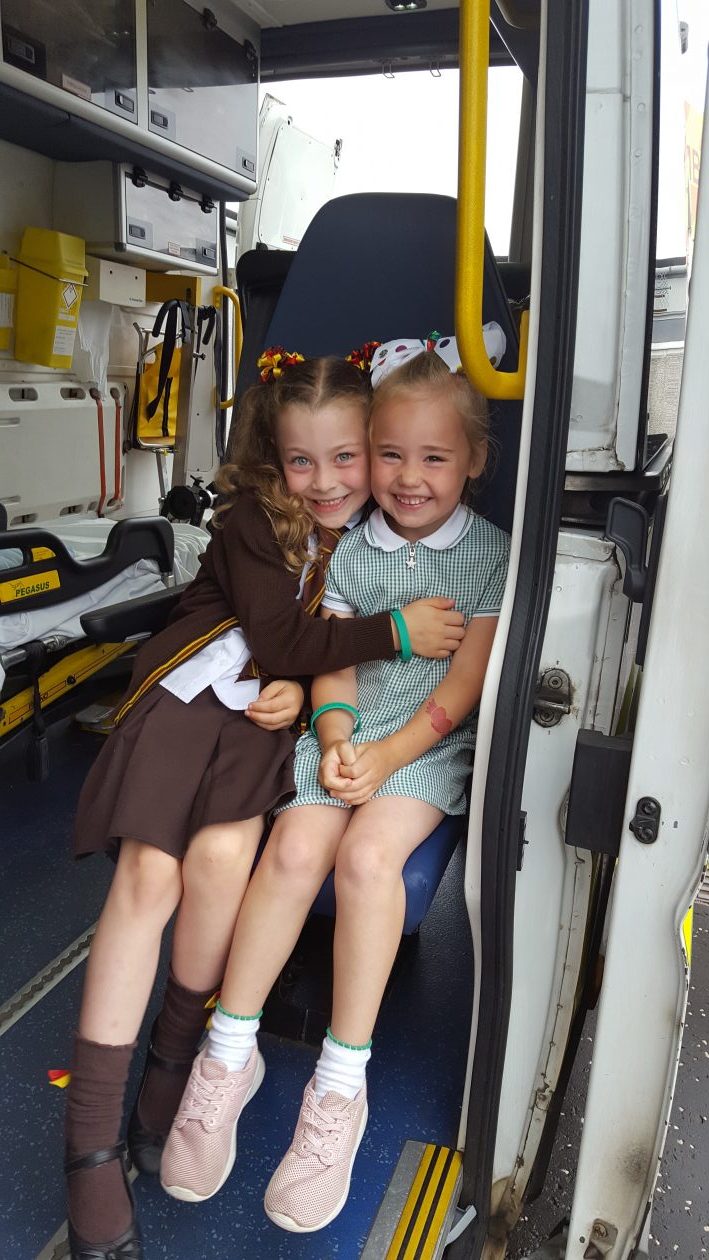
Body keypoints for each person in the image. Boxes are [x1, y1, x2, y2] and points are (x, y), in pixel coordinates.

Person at [64, 351, 466, 1260]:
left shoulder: (383, 529)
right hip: (193, 696)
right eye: (301, 462)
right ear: (273, 461)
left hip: (262, 717)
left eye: (346, 458)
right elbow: (283, 632)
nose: (325, 482)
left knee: (218, 861)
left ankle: (176, 1063)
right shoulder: (255, 520)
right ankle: (88, 1142)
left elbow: (309, 647)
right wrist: (383, 637)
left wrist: (298, 680)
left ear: (374, 448)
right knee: (149, 874)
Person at [159, 338, 511, 1233]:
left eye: (434, 459)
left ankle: (339, 1084)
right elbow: (336, 667)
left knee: (364, 862)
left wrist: (385, 757)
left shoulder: (492, 557)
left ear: (474, 460)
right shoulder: (348, 548)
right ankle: (227, 1054)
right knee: (291, 852)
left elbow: (465, 686)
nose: (408, 478)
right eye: (389, 455)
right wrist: (336, 737)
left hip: (426, 745)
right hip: (347, 732)